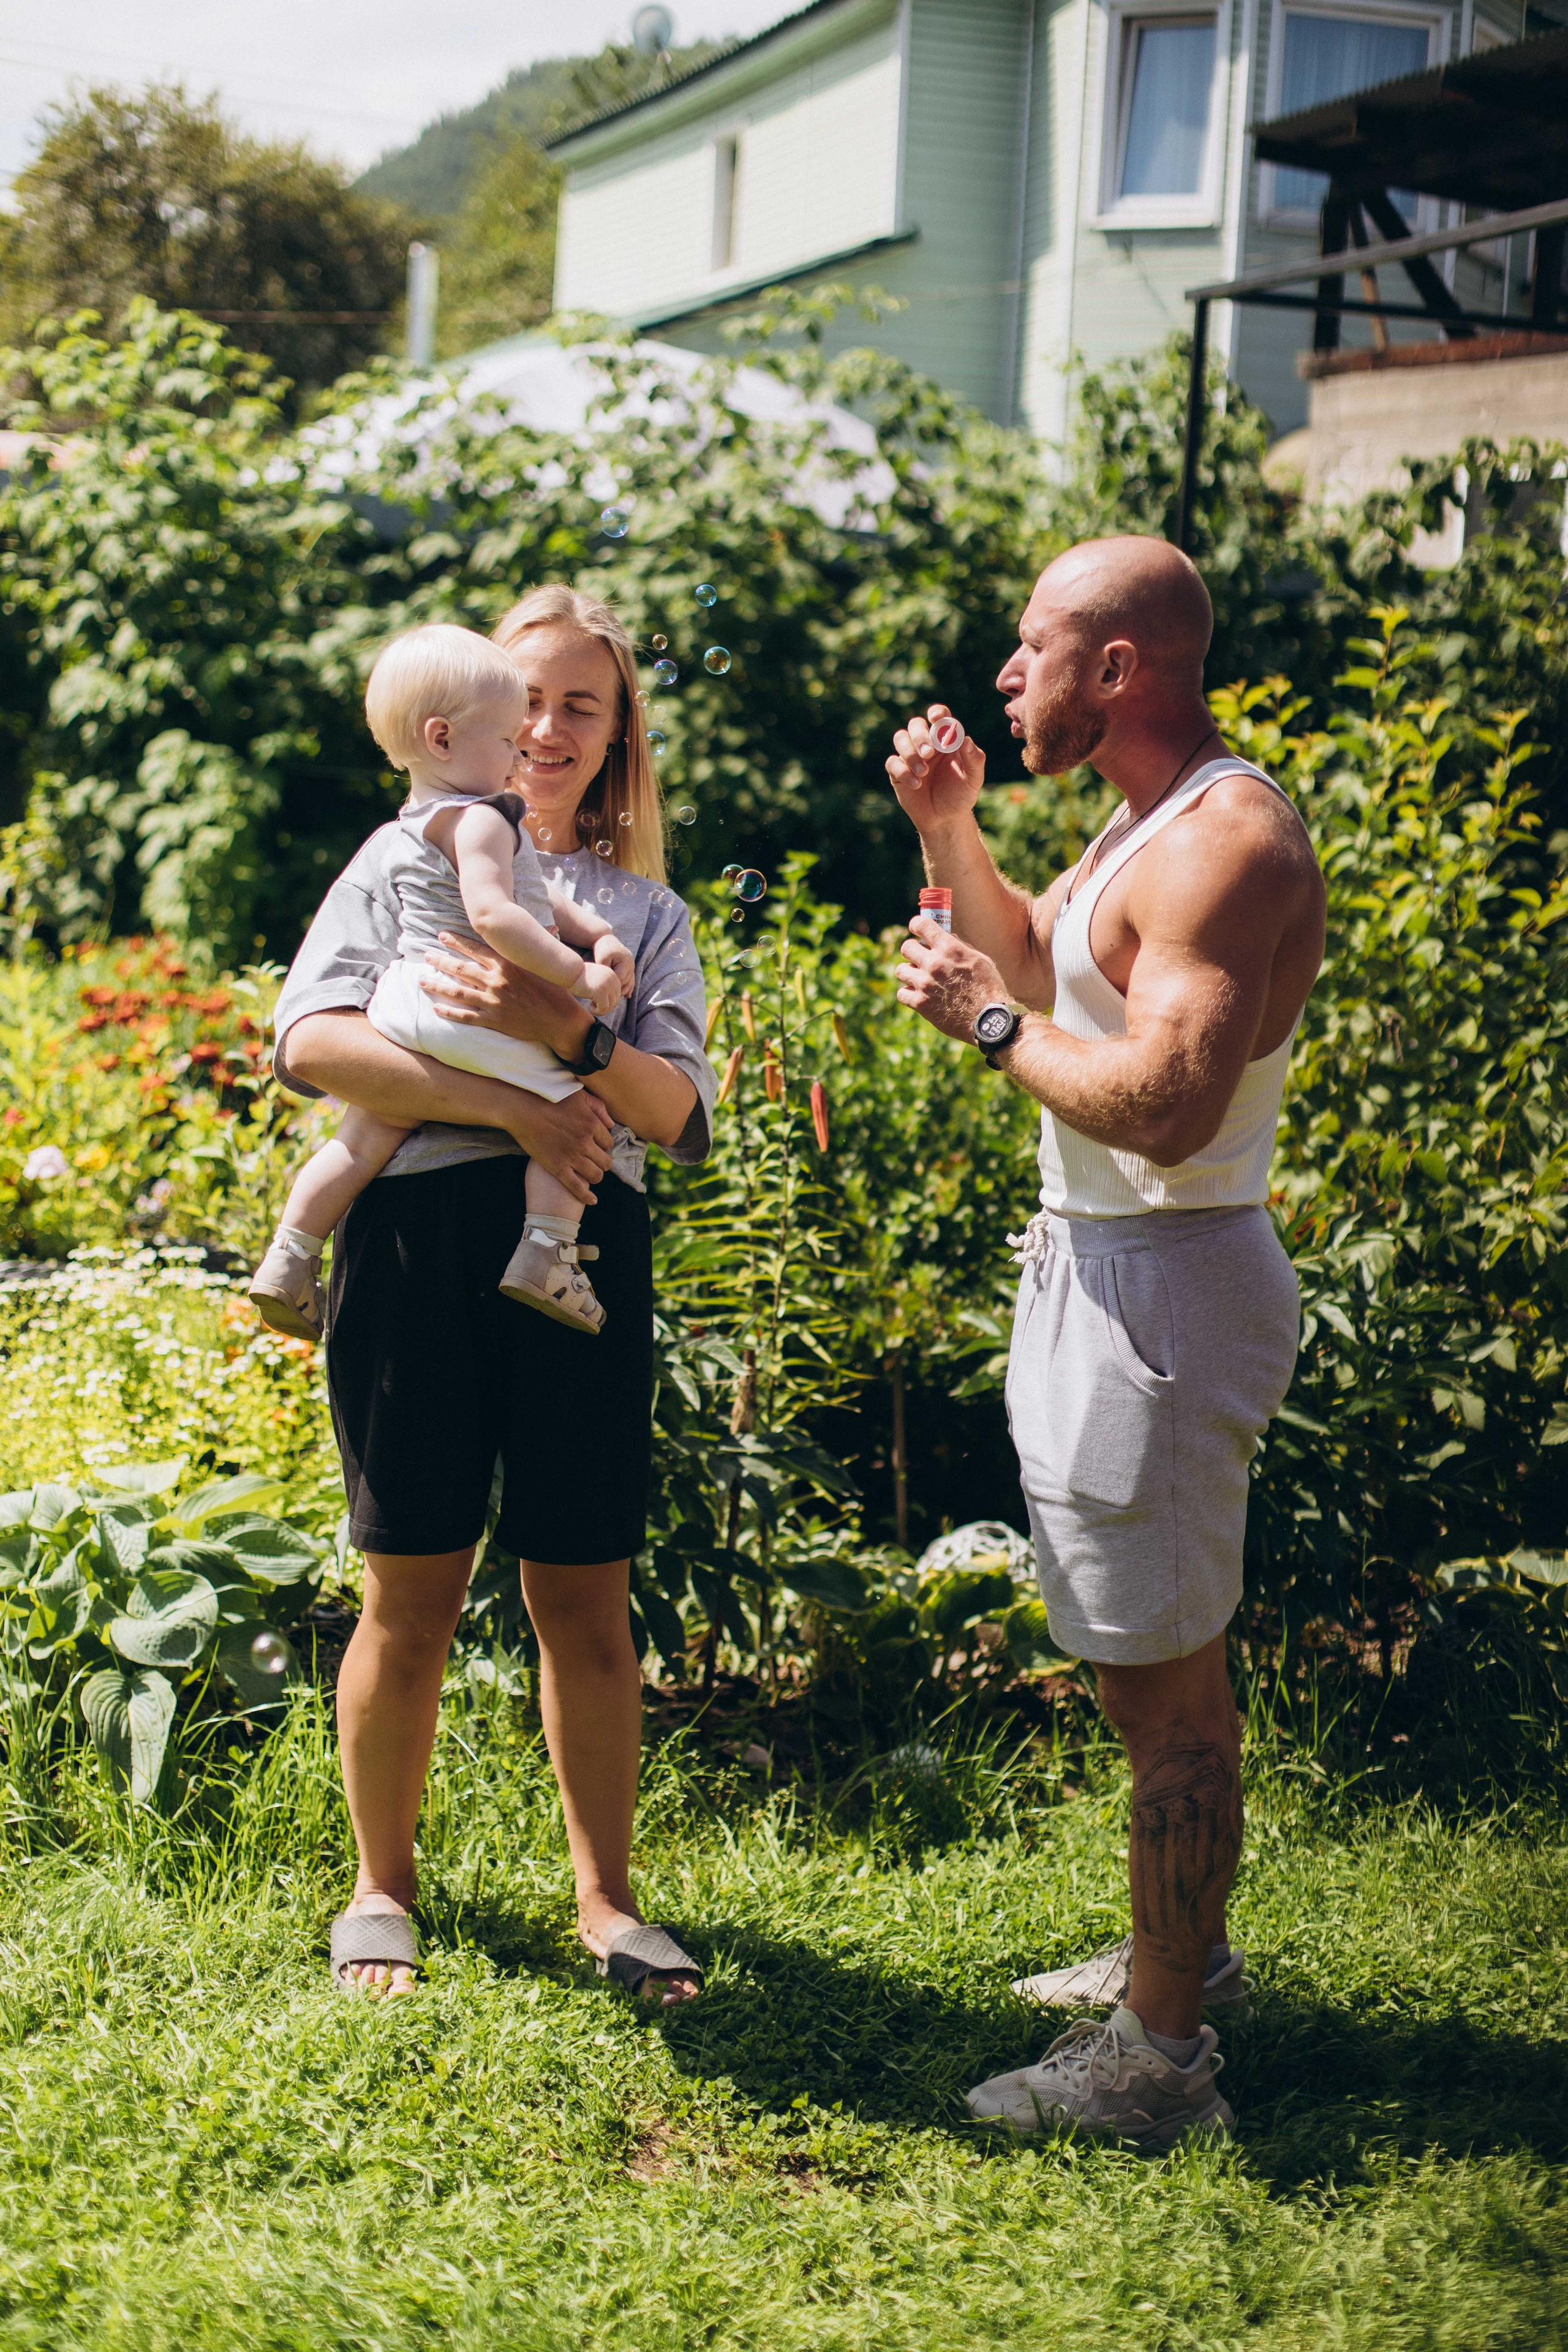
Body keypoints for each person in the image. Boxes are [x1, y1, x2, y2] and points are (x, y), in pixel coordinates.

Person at [888, 535, 1325, 2149]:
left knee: (1166, 1688)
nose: (1007, 674)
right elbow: (1024, 953)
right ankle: (1181, 1958)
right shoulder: (1142, 822)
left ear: (1120, 667)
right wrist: (949, 829)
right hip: (1104, 1261)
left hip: (1167, 1275)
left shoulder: (1231, 842)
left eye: (1032, 647)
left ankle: (1161, 2064)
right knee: (1141, 1662)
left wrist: (988, 1029)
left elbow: (1163, 1099)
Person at [270, 584, 715, 2002]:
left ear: (613, 736)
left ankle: (605, 1900)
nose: (549, 724)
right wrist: (512, 1108)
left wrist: (562, 1030)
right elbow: (314, 1041)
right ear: (463, 713)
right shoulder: (401, 854)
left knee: (582, 1582)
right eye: (529, 695)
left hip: (581, 1245)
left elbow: (677, 1115)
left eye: (583, 702)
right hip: (413, 1244)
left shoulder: (642, 913)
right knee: (410, 1579)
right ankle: (380, 1889)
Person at [251, 624, 635, 1342]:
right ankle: (548, 1251)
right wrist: (577, 971)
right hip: (474, 1010)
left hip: (408, 1006)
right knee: (575, 1100)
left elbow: (541, 893)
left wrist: (599, 929)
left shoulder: (401, 829)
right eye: (506, 739)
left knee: (361, 1135)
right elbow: (501, 912)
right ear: (442, 738)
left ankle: (291, 1255)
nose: (519, 753)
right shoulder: (487, 817)